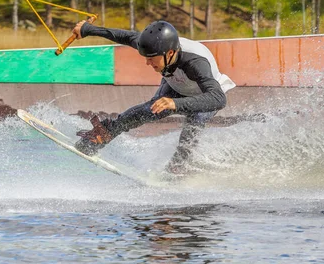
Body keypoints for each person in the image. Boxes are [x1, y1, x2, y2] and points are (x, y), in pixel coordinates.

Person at [71, 20, 235, 174]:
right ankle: (101, 137)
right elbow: (124, 36)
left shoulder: (196, 63)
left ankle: (177, 169)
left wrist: (175, 103)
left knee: (194, 124)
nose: (148, 63)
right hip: (177, 85)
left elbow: (218, 99)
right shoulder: (157, 47)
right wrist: (87, 29)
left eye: (151, 59)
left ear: (170, 53)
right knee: (148, 110)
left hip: (204, 95)